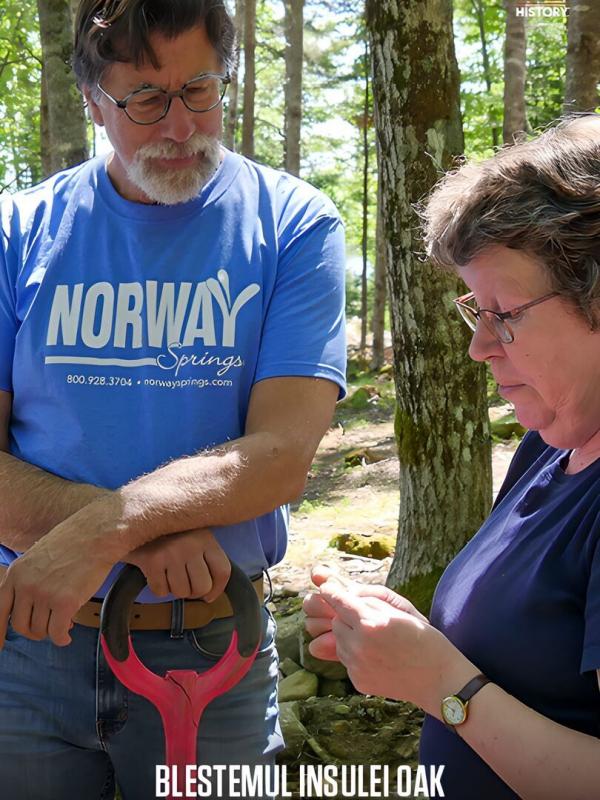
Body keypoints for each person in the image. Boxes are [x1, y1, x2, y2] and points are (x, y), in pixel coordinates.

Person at [0, 1, 346, 798]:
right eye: (148, 99)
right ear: (94, 103)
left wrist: (109, 529)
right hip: (32, 647)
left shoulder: (294, 225)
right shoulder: (19, 231)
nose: (183, 125)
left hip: (213, 651)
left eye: (200, 89)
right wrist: (137, 540)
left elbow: (280, 457)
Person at [304, 114, 600, 800]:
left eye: (507, 313)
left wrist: (442, 684)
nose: (480, 346)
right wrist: (405, 643)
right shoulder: (549, 447)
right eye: (476, 310)